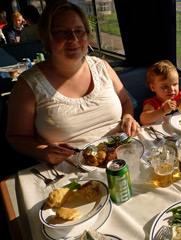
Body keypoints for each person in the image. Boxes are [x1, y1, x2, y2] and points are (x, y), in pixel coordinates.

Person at [6, 0, 140, 165]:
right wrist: (42, 151)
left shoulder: (102, 67)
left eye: (79, 31)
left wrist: (128, 117)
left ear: (87, 35)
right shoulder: (28, 85)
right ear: (47, 37)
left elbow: (125, 101)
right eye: (62, 32)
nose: (73, 38)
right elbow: (16, 137)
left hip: (120, 157)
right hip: (68, 168)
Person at [140, 60, 181, 125]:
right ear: (153, 87)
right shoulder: (152, 103)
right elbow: (144, 120)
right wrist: (163, 110)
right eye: (165, 86)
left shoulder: (178, 98)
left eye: (175, 84)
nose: (171, 90)